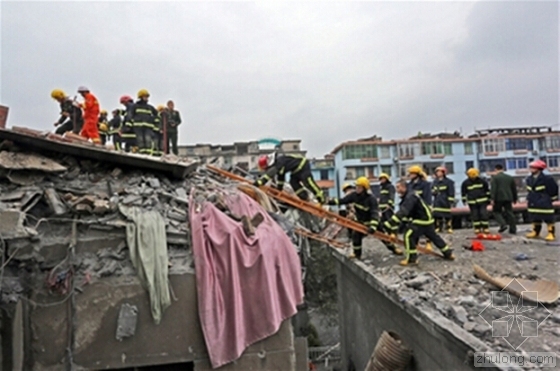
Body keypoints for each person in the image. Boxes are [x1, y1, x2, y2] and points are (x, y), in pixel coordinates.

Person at [384, 179, 455, 266]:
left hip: (421, 220)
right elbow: (406, 215)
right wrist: (397, 228)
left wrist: (389, 224)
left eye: (398, 187)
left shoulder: (410, 196)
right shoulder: (410, 195)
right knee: (434, 237)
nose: (397, 190)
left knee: (408, 235)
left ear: (403, 187)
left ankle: (411, 259)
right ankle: (448, 253)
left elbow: (403, 212)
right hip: (427, 219)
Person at [327, 177, 379, 260]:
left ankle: (393, 248)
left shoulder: (371, 199)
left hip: (370, 222)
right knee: (356, 236)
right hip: (360, 221)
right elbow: (342, 201)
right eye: (356, 186)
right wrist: (328, 202)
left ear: (364, 188)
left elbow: (374, 213)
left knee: (384, 236)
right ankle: (357, 254)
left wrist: (373, 226)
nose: (357, 188)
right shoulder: (354, 196)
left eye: (359, 187)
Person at [254, 153, 325, 203]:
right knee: (293, 182)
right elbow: (281, 179)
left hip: (303, 165)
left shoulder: (279, 162)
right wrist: (278, 191)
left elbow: (269, 175)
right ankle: (304, 197)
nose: (266, 170)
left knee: (308, 182)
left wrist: (259, 182)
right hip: (296, 169)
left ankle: (322, 199)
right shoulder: (279, 166)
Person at [525, 160, 558, 241]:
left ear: (539, 169)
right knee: (535, 217)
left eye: (533, 167)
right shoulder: (529, 179)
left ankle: (551, 233)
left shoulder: (547, 179)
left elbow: (553, 189)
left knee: (548, 219)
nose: (531, 169)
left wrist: (552, 199)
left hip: (544, 201)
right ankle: (535, 232)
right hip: (533, 201)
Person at [377, 173, 403, 255]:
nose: (382, 180)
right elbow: (382, 198)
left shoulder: (390, 186)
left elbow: (392, 196)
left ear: (386, 179)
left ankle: (394, 234)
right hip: (382, 209)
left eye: (383, 179)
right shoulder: (382, 187)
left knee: (391, 222)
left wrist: (389, 204)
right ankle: (388, 235)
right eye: (380, 179)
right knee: (383, 223)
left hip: (388, 208)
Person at [128, 89, 159, 155]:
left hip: (148, 127)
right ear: (141, 97)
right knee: (140, 140)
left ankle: (148, 155)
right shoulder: (135, 106)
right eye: (145, 97)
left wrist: (154, 123)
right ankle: (142, 154)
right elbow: (130, 116)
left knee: (148, 140)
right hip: (138, 127)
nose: (147, 98)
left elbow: (157, 116)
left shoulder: (150, 107)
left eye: (147, 97)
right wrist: (129, 126)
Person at [461, 168, 490, 233]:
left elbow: (487, 191)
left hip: (482, 201)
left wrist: (489, 198)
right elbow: (463, 192)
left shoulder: (482, 181)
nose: (473, 178)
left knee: (483, 214)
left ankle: (485, 227)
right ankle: (477, 228)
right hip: (472, 202)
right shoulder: (465, 183)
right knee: (475, 215)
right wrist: (464, 200)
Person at [490, 164, 517, 234]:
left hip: (498, 198)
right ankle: (513, 228)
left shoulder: (495, 178)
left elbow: (493, 189)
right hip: (508, 197)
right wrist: (515, 198)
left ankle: (503, 224)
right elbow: (514, 189)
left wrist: (492, 199)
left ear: (496, 169)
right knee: (509, 212)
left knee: (496, 211)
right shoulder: (510, 178)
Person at [432, 166, 455, 233]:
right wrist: (433, 192)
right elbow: (432, 190)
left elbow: (451, 192)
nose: (438, 173)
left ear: (443, 173)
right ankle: (438, 227)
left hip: (445, 201)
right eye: (437, 172)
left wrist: (450, 200)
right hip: (437, 201)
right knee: (437, 215)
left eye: (439, 172)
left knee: (447, 215)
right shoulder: (435, 182)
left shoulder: (448, 182)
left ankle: (449, 227)